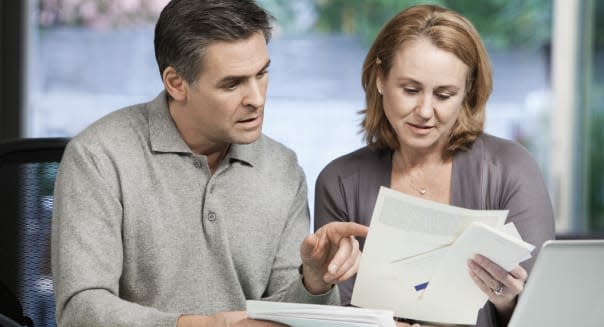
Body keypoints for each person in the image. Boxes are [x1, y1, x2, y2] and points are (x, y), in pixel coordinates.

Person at [51, 0, 368, 326]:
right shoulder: (98, 157)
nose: (257, 99)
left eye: (262, 74)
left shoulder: (282, 168)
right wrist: (203, 325)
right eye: (232, 84)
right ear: (176, 83)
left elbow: (286, 315)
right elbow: (81, 309)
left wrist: (313, 282)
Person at [314, 4, 555, 327]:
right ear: (380, 78)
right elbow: (330, 312)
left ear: (467, 92)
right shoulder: (340, 181)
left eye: (444, 94)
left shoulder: (510, 169)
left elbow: (549, 315)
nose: (425, 111)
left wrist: (508, 301)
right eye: (410, 90)